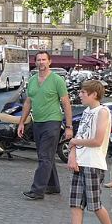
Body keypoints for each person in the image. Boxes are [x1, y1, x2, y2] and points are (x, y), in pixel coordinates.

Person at [58, 80, 112, 224]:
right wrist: (72, 154)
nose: (80, 95)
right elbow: (80, 135)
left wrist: (75, 142)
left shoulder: (103, 112)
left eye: (84, 92)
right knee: (75, 203)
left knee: (94, 204)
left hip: (93, 163)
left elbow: (97, 140)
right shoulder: (86, 112)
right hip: (81, 162)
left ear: (94, 94)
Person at [20, 51, 74, 200]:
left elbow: (66, 103)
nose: (41, 62)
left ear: (49, 62)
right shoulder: (32, 80)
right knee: (46, 156)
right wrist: (21, 122)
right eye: (38, 60)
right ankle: (53, 186)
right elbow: (28, 102)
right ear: (35, 62)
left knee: (44, 156)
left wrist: (69, 127)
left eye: (44, 59)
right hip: (37, 122)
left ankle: (37, 190)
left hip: (52, 122)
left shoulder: (57, 80)